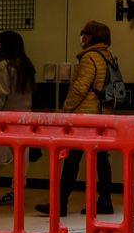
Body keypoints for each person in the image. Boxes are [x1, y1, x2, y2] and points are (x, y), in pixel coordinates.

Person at [35, 21, 116, 218]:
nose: (82, 38)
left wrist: (66, 108)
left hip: (86, 116)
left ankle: (60, 204)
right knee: (101, 159)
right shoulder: (108, 57)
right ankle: (105, 200)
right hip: (102, 115)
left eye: (84, 35)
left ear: (90, 37)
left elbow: (80, 87)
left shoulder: (90, 57)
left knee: (72, 159)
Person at [0, 31, 36, 207]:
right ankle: (17, 194)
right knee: (22, 161)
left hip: (6, 119)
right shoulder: (26, 65)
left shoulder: (4, 66)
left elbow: (0, 95)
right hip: (25, 118)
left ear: (4, 45)